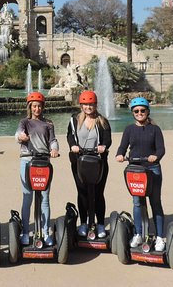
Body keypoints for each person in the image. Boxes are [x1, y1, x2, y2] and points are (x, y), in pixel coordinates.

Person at [115, 97, 166, 251]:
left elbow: (161, 149)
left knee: (155, 202)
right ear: (132, 113)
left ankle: (159, 237)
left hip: (152, 169)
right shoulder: (129, 129)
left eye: (142, 110)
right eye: (136, 111)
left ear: (147, 111)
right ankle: (138, 233)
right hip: (135, 170)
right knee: (138, 202)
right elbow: (122, 146)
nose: (140, 113)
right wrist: (120, 155)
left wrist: (156, 156)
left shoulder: (155, 129)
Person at [15, 92, 59, 246]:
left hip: (43, 162)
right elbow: (18, 135)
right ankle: (26, 232)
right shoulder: (24, 122)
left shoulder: (49, 124)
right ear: (30, 107)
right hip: (27, 161)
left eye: (39, 106)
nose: (37, 108)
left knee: (45, 199)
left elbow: (53, 140)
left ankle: (45, 231)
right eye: (34, 106)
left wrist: (54, 150)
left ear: (43, 107)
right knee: (28, 197)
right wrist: (21, 137)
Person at [66, 90, 112, 238]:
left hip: (98, 163)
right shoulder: (74, 120)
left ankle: (99, 224)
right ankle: (84, 223)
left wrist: (103, 146)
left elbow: (107, 138)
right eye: (85, 104)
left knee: (99, 193)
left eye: (91, 104)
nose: (88, 107)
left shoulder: (102, 121)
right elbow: (70, 136)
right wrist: (73, 146)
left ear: (95, 104)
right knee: (82, 193)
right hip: (79, 162)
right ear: (81, 105)